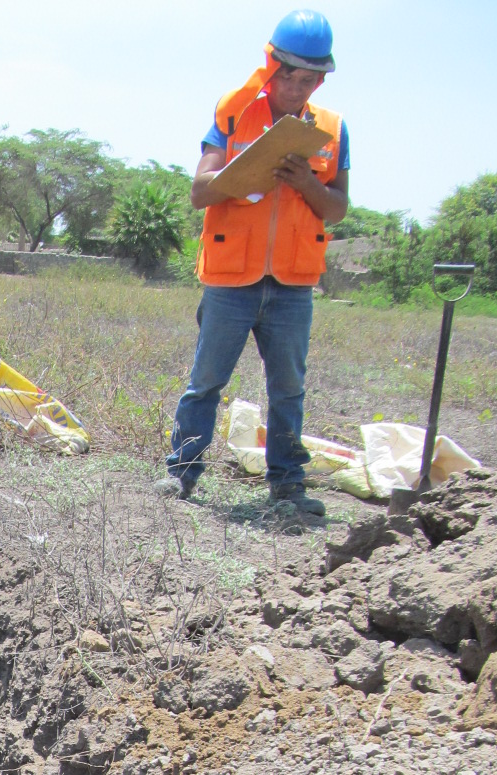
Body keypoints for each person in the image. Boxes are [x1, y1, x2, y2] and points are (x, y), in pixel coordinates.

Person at [159, 9, 349, 516]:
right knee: (206, 381)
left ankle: (287, 484)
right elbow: (199, 191)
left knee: (288, 389)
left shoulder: (332, 128)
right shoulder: (233, 112)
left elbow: (337, 207)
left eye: (310, 79)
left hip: (292, 285)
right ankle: (181, 474)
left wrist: (305, 180)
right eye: (289, 76)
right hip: (231, 279)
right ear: (271, 67)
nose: (297, 88)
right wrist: (245, 178)